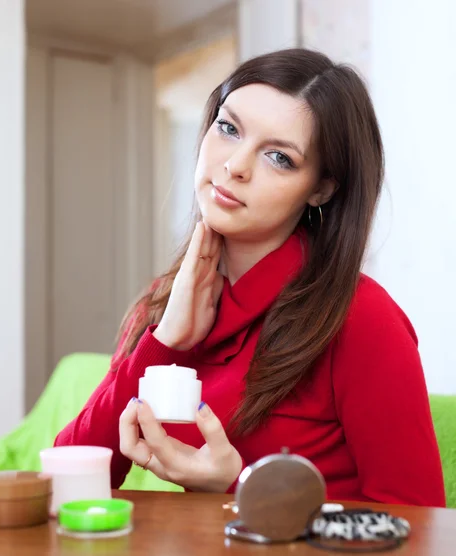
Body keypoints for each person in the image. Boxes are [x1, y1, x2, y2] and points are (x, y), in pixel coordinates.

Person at [55, 48, 445, 506]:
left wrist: (236, 489)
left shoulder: (361, 318)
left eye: (279, 157)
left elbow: (421, 535)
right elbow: (66, 479)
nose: (235, 165)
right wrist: (164, 341)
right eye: (228, 128)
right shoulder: (163, 303)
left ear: (321, 188)